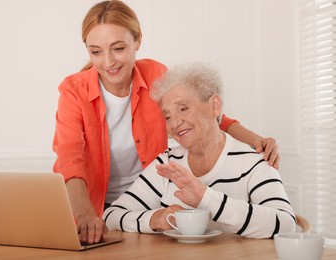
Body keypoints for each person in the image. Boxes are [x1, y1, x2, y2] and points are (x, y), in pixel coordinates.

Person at [52, 0, 280, 244]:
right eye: (96, 52)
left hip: (148, 202)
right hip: (92, 207)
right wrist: (86, 214)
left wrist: (255, 140)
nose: (108, 62)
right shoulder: (73, 91)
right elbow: (70, 159)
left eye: (118, 48)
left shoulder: (155, 74)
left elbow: (203, 112)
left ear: (137, 41)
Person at [103, 63, 296, 238]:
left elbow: (286, 224)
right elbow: (111, 215)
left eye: (183, 109)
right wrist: (156, 219)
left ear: (215, 106)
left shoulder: (254, 162)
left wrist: (206, 198)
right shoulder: (167, 163)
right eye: (168, 116)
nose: (175, 123)